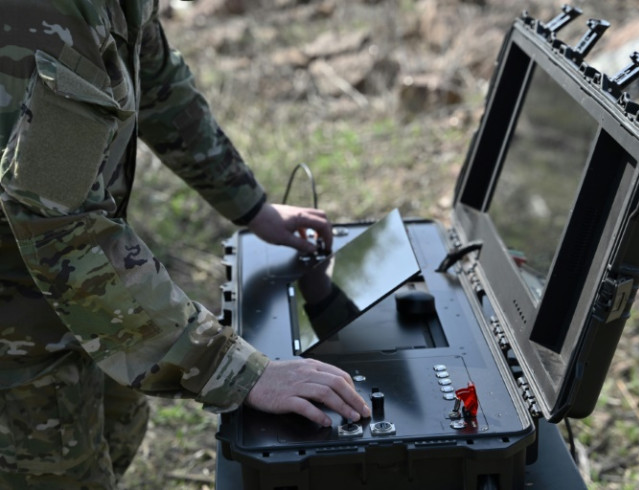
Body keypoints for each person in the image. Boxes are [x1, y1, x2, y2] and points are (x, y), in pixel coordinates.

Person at [0, 0, 370, 488]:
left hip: (74, 291)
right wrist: (236, 369)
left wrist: (250, 205)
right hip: (18, 320)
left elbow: (158, 85)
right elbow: (58, 221)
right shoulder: (54, 14)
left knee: (119, 427)